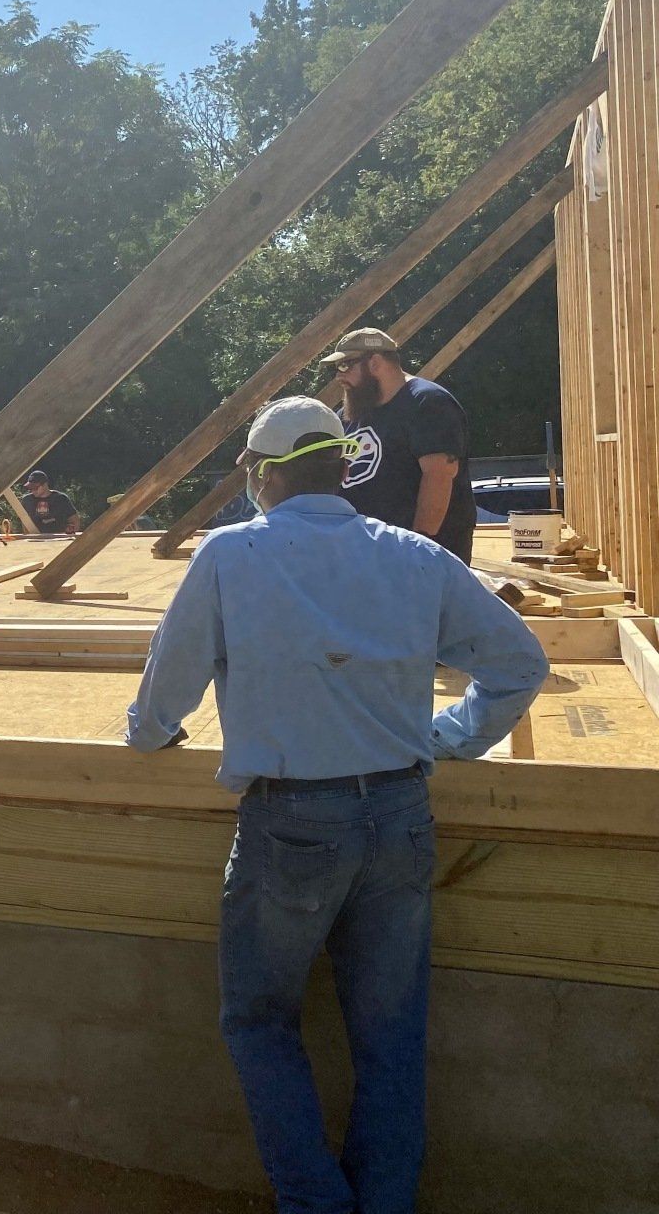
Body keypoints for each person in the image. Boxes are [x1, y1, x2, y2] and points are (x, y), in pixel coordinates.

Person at [125, 397, 547, 1214]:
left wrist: (149, 735)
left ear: (263, 473)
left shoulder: (231, 556)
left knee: (259, 1022)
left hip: (292, 827)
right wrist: (450, 734)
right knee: (390, 1042)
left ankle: (318, 1206)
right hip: (399, 815)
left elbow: (160, 705)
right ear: (341, 466)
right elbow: (520, 663)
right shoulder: (412, 557)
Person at [324, 327, 477, 562]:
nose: (338, 376)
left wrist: (416, 549)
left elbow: (438, 477)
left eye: (345, 365)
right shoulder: (351, 414)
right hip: (366, 560)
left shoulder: (427, 403)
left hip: (421, 561)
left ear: (375, 363)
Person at [21, 469, 81, 534]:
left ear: (45, 485)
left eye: (35, 488)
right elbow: (25, 525)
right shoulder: (27, 500)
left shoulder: (61, 499)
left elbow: (75, 521)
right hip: (36, 540)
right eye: (30, 488)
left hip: (60, 539)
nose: (32, 491)